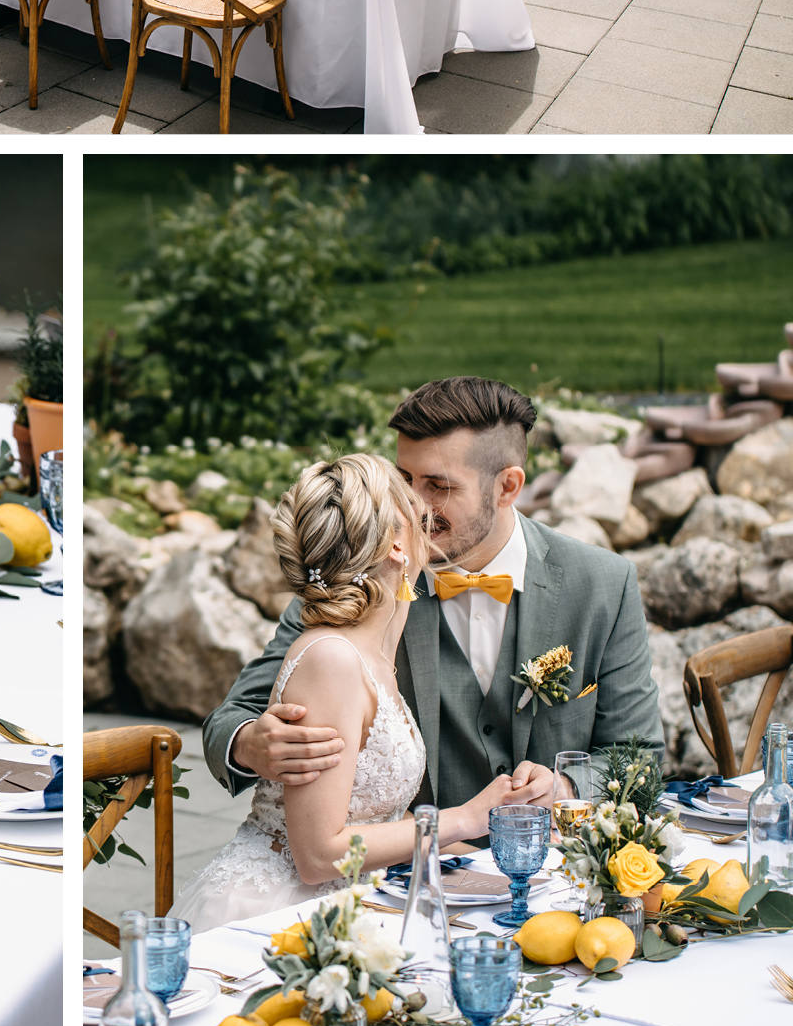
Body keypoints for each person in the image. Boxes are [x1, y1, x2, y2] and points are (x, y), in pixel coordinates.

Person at [202, 377, 663, 826]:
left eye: (437, 486)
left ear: (507, 487)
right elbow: (231, 718)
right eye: (404, 479)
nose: (413, 506)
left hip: (550, 876)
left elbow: (639, 759)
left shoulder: (603, 583)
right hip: (400, 880)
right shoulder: (361, 575)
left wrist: (565, 788)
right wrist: (249, 744)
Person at [169, 453, 515, 932]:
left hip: (349, 907)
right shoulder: (332, 659)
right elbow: (317, 855)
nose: (424, 509)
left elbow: (372, 816)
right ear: (397, 544)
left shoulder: (369, 653)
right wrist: (461, 819)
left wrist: (497, 859)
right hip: (277, 916)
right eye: (410, 496)